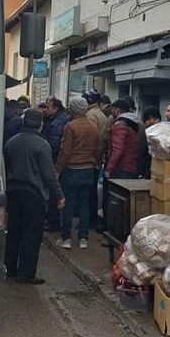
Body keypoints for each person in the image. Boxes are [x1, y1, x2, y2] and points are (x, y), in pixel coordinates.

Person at [4, 109, 64, 284]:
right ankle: (26, 273)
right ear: (40, 124)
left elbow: (6, 167)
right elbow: (48, 175)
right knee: (31, 234)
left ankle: (10, 268)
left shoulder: (11, 142)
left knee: (14, 231)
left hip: (13, 191)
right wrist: (58, 196)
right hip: (34, 194)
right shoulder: (42, 145)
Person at [55, 97, 103, 250]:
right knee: (84, 204)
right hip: (88, 169)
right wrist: (94, 163)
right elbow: (98, 149)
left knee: (68, 204)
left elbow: (65, 151)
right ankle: (83, 238)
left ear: (73, 109)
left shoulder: (70, 126)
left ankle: (66, 238)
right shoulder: (93, 127)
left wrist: (58, 169)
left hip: (71, 169)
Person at [41, 97, 69, 231]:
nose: (45, 109)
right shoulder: (54, 120)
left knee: (54, 191)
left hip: (54, 160)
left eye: (48, 107)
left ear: (55, 108)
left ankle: (54, 221)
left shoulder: (58, 122)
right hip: (54, 160)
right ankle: (52, 219)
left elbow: (54, 144)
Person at [83, 90, 109, 230]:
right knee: (92, 191)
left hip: (92, 157)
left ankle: (89, 221)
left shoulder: (90, 115)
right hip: (98, 157)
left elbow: (91, 138)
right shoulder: (100, 113)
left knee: (88, 192)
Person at [105, 99, 141, 180]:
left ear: (118, 110)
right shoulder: (134, 123)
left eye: (113, 109)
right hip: (132, 165)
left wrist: (109, 168)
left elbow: (118, 149)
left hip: (121, 167)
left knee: (116, 191)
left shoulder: (119, 125)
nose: (112, 111)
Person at [137, 107, 161, 179]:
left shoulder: (163, 133)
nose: (152, 121)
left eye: (154, 118)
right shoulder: (143, 133)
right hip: (146, 171)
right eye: (148, 119)